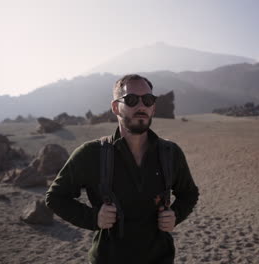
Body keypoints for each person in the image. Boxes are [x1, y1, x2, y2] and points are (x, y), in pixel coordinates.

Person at [46, 74, 199, 264]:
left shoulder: (170, 153)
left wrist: (176, 215)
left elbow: (189, 193)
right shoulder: (92, 154)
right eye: (132, 100)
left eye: (148, 100)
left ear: (153, 108)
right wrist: (94, 218)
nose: (141, 106)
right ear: (115, 107)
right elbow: (55, 197)